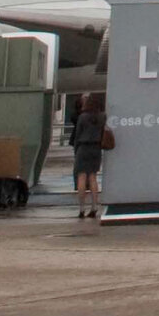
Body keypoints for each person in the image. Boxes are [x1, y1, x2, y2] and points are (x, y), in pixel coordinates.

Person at [71, 91, 108, 222]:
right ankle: (94, 207)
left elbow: (77, 136)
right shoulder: (103, 116)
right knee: (93, 177)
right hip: (96, 148)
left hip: (83, 147)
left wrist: (76, 151)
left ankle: (81, 209)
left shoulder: (83, 117)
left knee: (81, 177)